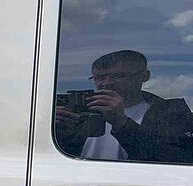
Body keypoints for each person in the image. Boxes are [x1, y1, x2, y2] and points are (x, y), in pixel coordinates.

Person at [55, 50, 193, 163]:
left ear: (145, 76)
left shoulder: (173, 113)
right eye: (100, 77)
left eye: (118, 76)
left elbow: (180, 159)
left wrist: (122, 124)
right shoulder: (82, 113)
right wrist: (59, 130)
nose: (107, 83)